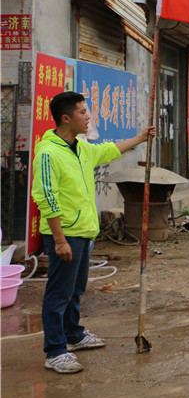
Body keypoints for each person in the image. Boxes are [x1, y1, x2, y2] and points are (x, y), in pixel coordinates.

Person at [32, 91, 154, 374]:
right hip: (66, 235)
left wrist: (140, 138)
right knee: (58, 294)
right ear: (66, 118)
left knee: (75, 290)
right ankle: (55, 351)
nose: (88, 117)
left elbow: (110, 150)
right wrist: (59, 240)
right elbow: (46, 197)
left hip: (84, 233)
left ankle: (73, 335)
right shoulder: (48, 153)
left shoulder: (82, 148)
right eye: (83, 112)